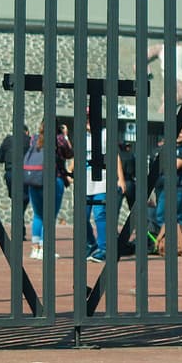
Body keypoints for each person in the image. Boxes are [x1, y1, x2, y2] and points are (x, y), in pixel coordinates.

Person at [25, 121, 75, 261]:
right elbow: (70, 154)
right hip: (54, 179)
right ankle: (45, 248)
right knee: (50, 216)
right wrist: (65, 136)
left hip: (35, 179)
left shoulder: (34, 138)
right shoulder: (59, 139)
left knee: (38, 215)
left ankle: (35, 249)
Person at [84, 112, 126, 263]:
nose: (88, 121)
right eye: (86, 119)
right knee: (82, 216)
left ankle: (104, 249)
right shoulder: (82, 136)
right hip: (85, 181)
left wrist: (121, 179)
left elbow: (115, 155)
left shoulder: (105, 134)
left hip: (102, 181)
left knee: (100, 214)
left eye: (90, 118)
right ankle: (91, 244)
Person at [154, 123, 182, 256]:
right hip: (164, 185)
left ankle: (179, 243)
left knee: (177, 214)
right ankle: (165, 241)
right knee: (160, 213)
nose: (178, 135)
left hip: (180, 186)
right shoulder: (167, 146)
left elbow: (175, 165)